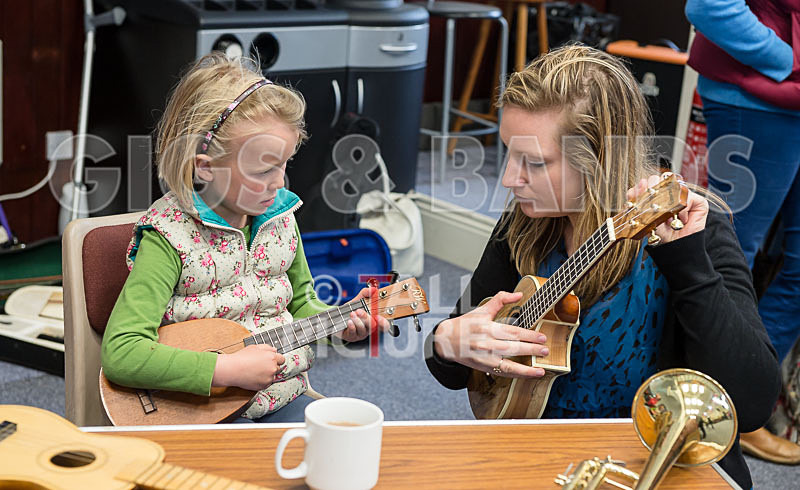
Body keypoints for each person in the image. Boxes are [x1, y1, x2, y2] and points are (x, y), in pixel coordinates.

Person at [424, 45, 780, 489]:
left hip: (650, 469)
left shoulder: (695, 232)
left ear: (599, 160)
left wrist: (689, 264)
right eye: (508, 154)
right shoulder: (526, 222)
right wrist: (445, 341)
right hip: (539, 458)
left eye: (534, 163)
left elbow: (751, 404)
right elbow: (458, 368)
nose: (509, 179)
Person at [101, 53, 388, 423]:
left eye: (284, 164)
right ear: (205, 166)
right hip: (197, 410)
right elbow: (122, 353)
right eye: (263, 170)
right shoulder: (168, 238)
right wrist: (226, 371)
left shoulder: (281, 219)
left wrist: (342, 324)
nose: (279, 182)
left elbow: (301, 305)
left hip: (282, 398)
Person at [685, 0, 800, 463]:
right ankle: (711, 410)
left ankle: (740, 402)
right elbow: (710, 5)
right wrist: (786, 59)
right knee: (731, 254)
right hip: (754, 98)